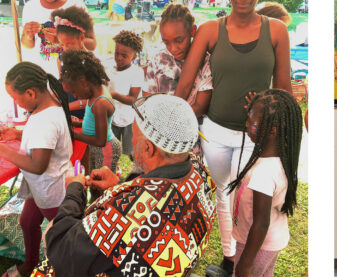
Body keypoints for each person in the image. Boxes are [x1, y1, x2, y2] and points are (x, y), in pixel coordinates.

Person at [174, 0, 292, 275]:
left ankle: (251, 264)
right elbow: (185, 84)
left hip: (256, 138)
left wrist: (266, 102)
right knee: (225, 197)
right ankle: (230, 259)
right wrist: (169, 121)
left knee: (252, 205)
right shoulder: (211, 30)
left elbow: (283, 93)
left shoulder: (277, 31)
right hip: (216, 133)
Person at [31, 94, 216, 277]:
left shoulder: (126, 217)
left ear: (148, 149)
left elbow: (62, 247)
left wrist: (74, 191)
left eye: (134, 136)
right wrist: (119, 187)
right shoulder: (200, 172)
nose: (132, 142)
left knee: (51, 230)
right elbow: (160, 201)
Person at [0, 62, 73, 277]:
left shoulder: (45, 121)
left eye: (15, 97)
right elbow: (44, 143)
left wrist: (3, 150)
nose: (15, 102)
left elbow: (38, 165)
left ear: (31, 93)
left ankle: (66, 269)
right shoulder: (48, 108)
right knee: (28, 222)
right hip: (40, 187)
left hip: (51, 191)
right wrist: (18, 134)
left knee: (62, 237)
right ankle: (29, 264)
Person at [227, 89, 301, 277]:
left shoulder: (263, 174)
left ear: (272, 129)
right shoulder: (279, 158)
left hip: (257, 246)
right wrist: (258, 110)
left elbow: (260, 223)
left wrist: (245, 263)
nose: (246, 124)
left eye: (252, 122)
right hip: (268, 243)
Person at [60, 50, 121, 198]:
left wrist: (75, 135)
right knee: (93, 180)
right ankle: (95, 205)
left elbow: (100, 140)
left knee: (102, 186)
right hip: (99, 147)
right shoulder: (93, 94)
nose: (74, 96)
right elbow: (92, 124)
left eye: (74, 92)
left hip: (105, 148)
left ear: (83, 82)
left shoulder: (100, 103)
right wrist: (78, 124)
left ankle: (102, 210)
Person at [144, 4, 212, 118]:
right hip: (159, 125)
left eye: (179, 40)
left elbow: (200, 106)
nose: (173, 49)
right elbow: (148, 98)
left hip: (189, 127)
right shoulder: (158, 58)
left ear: (193, 31)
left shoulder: (205, 62)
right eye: (166, 42)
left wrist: (172, 120)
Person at [50, 5, 95, 120]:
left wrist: (65, 107)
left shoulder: (90, 63)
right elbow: (62, 87)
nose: (65, 48)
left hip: (85, 116)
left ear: (81, 38)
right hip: (67, 113)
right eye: (62, 44)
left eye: (69, 44)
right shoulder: (60, 59)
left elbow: (92, 99)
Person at [107, 30, 144, 160]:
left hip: (129, 119)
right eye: (117, 53)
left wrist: (113, 94)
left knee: (131, 150)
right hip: (112, 118)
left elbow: (133, 99)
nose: (119, 58)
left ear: (133, 57)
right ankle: (113, 172)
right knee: (112, 149)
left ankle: (138, 170)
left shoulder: (136, 72)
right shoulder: (109, 69)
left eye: (124, 55)